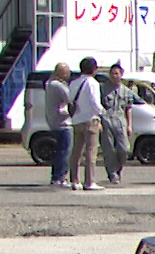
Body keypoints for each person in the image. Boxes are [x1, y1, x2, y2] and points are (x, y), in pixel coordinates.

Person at [98, 63, 143, 185]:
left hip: (120, 120)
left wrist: (129, 125)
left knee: (124, 148)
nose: (114, 76)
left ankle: (118, 168)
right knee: (108, 149)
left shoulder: (126, 91)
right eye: (112, 73)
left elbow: (128, 108)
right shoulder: (102, 89)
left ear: (121, 75)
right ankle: (112, 173)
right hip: (106, 119)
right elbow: (97, 105)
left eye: (116, 73)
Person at [67, 57, 104, 191]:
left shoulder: (73, 83)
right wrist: (102, 113)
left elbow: (70, 99)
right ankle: (89, 181)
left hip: (76, 119)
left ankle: (74, 180)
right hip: (90, 119)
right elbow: (95, 102)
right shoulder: (93, 83)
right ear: (94, 69)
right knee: (90, 151)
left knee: (76, 151)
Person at [43, 63, 75, 187]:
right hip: (63, 123)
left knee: (60, 151)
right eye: (66, 72)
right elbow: (70, 97)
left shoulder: (49, 83)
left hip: (54, 121)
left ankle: (56, 176)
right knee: (65, 151)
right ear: (62, 73)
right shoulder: (57, 85)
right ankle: (60, 177)